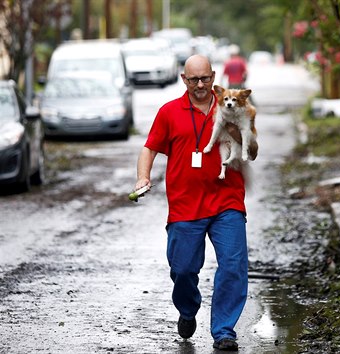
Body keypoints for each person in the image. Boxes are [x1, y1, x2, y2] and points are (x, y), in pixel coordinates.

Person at [134, 54, 258, 351]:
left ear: (214, 77)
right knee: (184, 269)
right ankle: (187, 309)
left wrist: (235, 134)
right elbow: (149, 149)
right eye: (194, 80)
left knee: (233, 265)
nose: (200, 85)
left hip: (227, 200)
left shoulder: (233, 106)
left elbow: (252, 152)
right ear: (183, 80)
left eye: (205, 78)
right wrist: (142, 177)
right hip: (185, 204)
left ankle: (224, 329)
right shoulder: (169, 112)